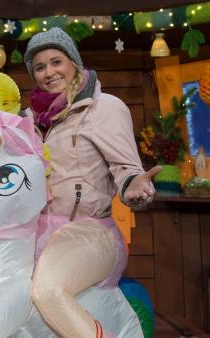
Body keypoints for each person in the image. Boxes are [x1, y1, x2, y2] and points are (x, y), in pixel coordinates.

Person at [23, 27, 161, 337]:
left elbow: (126, 168)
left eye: (56, 61)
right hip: (38, 231)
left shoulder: (104, 108)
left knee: (46, 291)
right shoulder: (29, 118)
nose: (48, 72)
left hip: (89, 231)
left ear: (73, 62)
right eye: (40, 66)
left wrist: (135, 186)